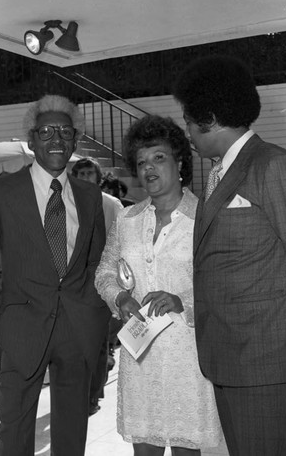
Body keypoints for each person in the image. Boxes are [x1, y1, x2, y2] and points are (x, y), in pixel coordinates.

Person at [172, 55, 286, 456]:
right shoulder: (220, 173)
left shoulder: (273, 166)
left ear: (210, 118)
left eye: (190, 123)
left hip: (267, 358)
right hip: (230, 356)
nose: (188, 133)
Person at [0, 95, 111, 456]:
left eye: (65, 131)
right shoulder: (0, 192)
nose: (56, 139)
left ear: (75, 141)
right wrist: (2, 316)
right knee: (14, 435)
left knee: (72, 436)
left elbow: (96, 263)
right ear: (31, 141)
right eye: (46, 131)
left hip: (78, 331)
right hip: (21, 330)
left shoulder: (91, 196)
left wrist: (94, 315)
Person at [95, 115, 222, 456]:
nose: (148, 168)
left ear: (180, 163)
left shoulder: (206, 219)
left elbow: (221, 284)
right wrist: (119, 298)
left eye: (158, 158)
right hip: (141, 356)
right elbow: (104, 273)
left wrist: (183, 301)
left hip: (189, 357)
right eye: (141, 162)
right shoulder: (127, 219)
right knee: (145, 450)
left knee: (186, 450)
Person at [71, 156, 124, 415]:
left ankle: (93, 395)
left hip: (101, 283)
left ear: (98, 178)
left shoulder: (110, 204)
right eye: (79, 174)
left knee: (98, 343)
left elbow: (122, 243)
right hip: (72, 285)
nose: (83, 179)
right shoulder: (64, 206)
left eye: (88, 174)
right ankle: (79, 391)